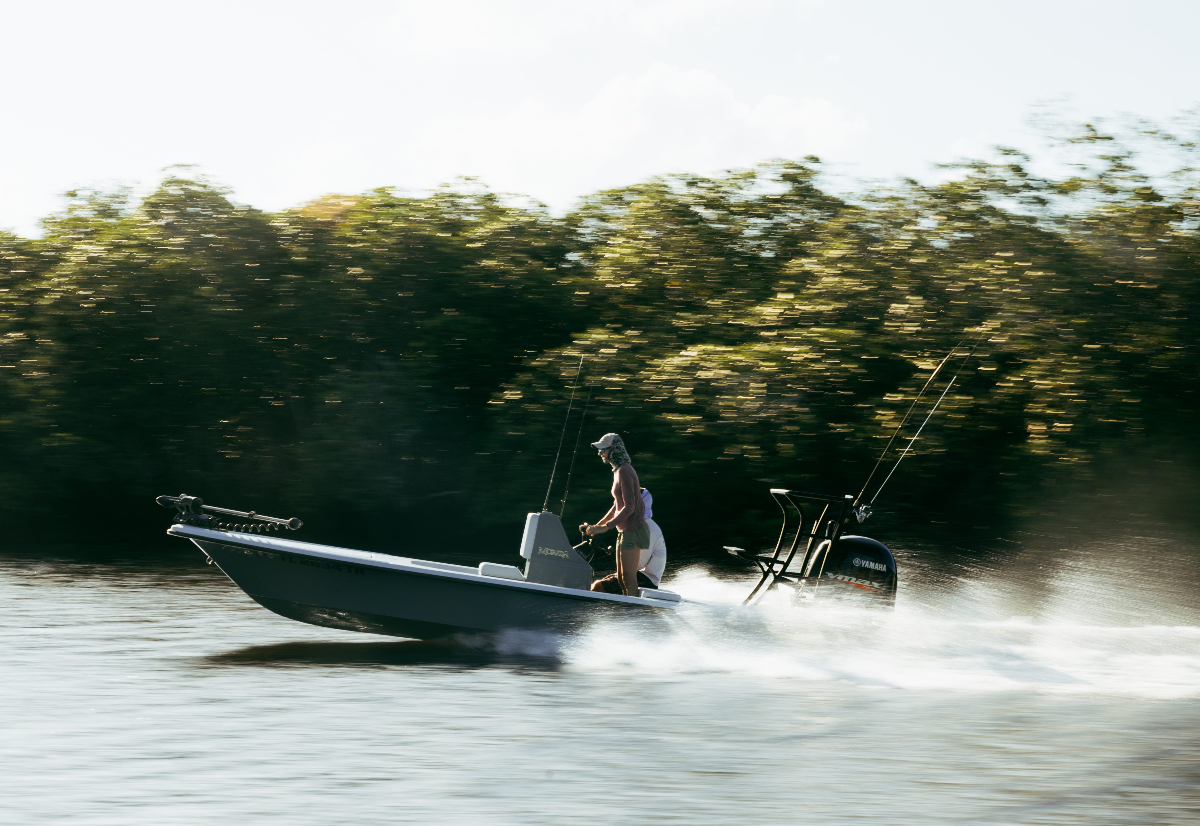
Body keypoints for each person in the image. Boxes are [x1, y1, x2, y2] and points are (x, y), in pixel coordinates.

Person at [581, 432, 651, 596]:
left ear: (614, 450)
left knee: (628, 578)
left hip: (634, 530)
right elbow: (616, 505)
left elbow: (629, 507)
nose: (600, 453)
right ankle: (626, 613)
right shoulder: (618, 470)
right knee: (620, 578)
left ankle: (632, 616)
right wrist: (596, 526)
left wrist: (606, 527)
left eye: (603, 449)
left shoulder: (625, 470)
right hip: (624, 530)